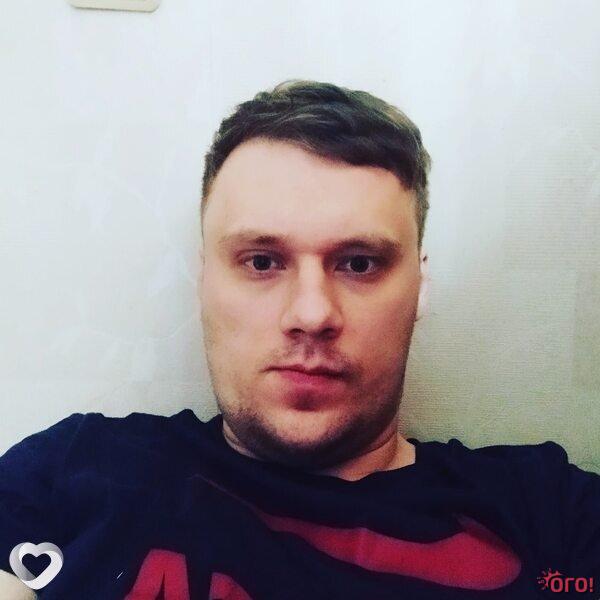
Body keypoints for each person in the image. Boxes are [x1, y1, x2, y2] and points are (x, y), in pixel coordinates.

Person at [0, 80, 598, 600]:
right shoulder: (67, 473)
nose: (312, 314)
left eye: (359, 263)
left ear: (420, 288)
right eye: (262, 261)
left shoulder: (554, 520)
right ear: (205, 280)